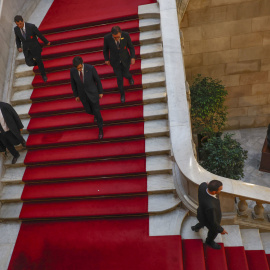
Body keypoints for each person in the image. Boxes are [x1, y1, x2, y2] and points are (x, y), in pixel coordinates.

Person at [70, 56, 104, 139]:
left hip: (93, 94)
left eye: (80, 68)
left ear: (82, 63)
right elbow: (73, 84)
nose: (79, 69)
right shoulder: (72, 71)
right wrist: (76, 95)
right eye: (77, 68)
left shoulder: (90, 68)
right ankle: (96, 115)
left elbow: (98, 80)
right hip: (83, 96)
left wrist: (100, 92)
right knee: (88, 110)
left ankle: (100, 129)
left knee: (96, 111)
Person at [191, 180, 228, 250]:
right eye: (220, 189)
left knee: (202, 222)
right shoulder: (211, 207)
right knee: (213, 231)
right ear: (214, 192)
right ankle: (209, 241)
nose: (221, 191)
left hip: (201, 213)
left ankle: (195, 228)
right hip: (209, 219)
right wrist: (221, 230)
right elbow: (213, 222)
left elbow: (204, 183)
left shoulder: (202, 186)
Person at [103, 26, 135, 103]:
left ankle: (130, 77)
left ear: (120, 33)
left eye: (117, 37)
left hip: (125, 59)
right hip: (115, 61)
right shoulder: (107, 38)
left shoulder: (126, 35)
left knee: (126, 73)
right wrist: (106, 59)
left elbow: (131, 47)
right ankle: (122, 94)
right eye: (114, 37)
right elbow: (105, 49)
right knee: (119, 78)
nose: (116, 39)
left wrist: (132, 57)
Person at [14, 15, 50, 82]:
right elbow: (17, 39)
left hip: (35, 47)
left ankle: (43, 75)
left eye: (20, 24)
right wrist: (19, 47)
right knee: (29, 63)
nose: (19, 26)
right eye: (17, 24)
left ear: (23, 21)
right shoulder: (16, 29)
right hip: (26, 49)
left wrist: (46, 41)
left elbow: (39, 35)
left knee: (39, 61)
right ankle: (38, 63)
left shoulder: (31, 27)